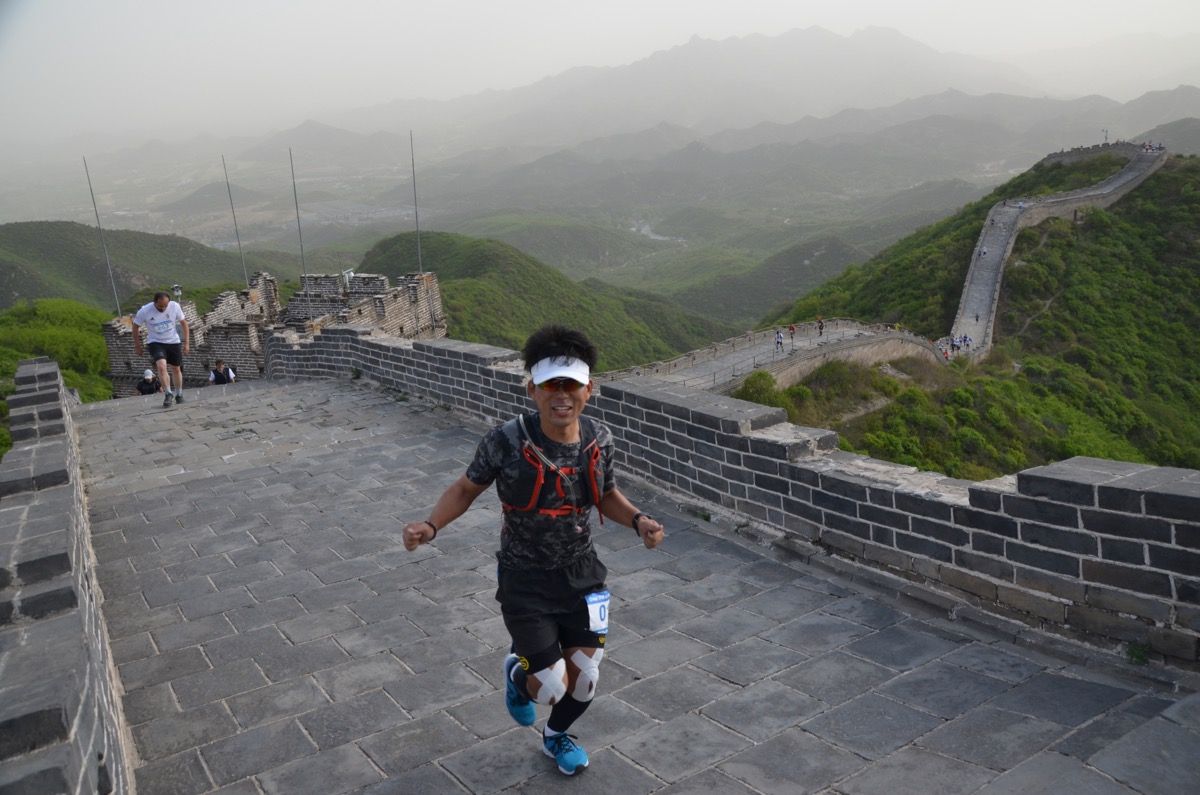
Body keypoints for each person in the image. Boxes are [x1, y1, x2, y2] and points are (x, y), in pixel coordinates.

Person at [401, 325, 664, 777]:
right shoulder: (505, 441)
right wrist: (431, 525)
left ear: (588, 389)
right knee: (549, 688)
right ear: (532, 390)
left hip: (582, 575)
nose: (561, 394)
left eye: (571, 384)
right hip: (524, 580)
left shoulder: (599, 438)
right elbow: (466, 488)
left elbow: (605, 494)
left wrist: (639, 520)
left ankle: (556, 736)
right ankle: (516, 675)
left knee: (585, 681)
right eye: (550, 384)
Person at [132, 291, 190, 408]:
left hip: (173, 341)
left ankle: (179, 394)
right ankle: (168, 394)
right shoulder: (145, 311)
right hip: (156, 342)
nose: (163, 309)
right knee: (162, 367)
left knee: (176, 368)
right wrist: (137, 345)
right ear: (155, 302)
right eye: (160, 306)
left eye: (165, 306)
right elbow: (135, 326)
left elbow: (183, 323)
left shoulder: (174, 306)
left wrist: (187, 343)